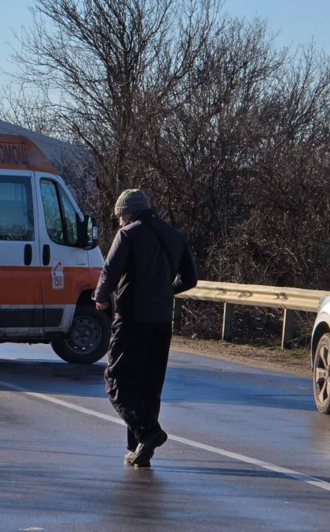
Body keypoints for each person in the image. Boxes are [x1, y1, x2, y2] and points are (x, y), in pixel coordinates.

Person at [92, 189, 197, 468]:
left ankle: (149, 433)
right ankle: (140, 448)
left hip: (131, 319)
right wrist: (165, 291)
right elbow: (190, 279)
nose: (118, 222)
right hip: (161, 321)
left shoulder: (128, 234)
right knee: (149, 385)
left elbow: (110, 270)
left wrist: (100, 297)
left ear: (129, 212)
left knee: (116, 381)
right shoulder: (175, 235)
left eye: (119, 216)